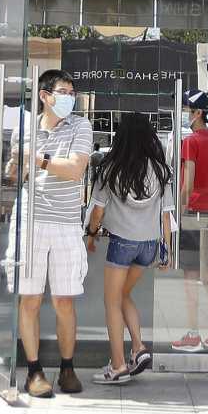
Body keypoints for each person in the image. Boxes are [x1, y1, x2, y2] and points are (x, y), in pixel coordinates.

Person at [17, 69, 93, 397]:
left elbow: (76, 169)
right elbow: (17, 169)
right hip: (31, 222)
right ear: (44, 96)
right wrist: (19, 165)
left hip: (65, 223)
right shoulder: (27, 127)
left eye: (72, 92)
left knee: (64, 299)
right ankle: (33, 371)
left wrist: (39, 160)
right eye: (63, 91)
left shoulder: (81, 125)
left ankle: (67, 368)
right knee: (30, 298)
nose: (69, 98)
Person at [84, 111, 173, 384]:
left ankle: (118, 366)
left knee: (111, 302)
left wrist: (91, 234)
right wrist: (166, 249)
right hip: (148, 244)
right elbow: (166, 214)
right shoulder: (160, 169)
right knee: (123, 295)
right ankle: (138, 348)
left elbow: (97, 212)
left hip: (122, 242)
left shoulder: (111, 167)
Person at [172, 90, 208, 351]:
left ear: (197, 113)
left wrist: (180, 210)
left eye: (187, 108)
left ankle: (193, 332)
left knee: (191, 275)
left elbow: (188, 183)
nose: (185, 113)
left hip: (194, 212)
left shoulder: (190, 141)